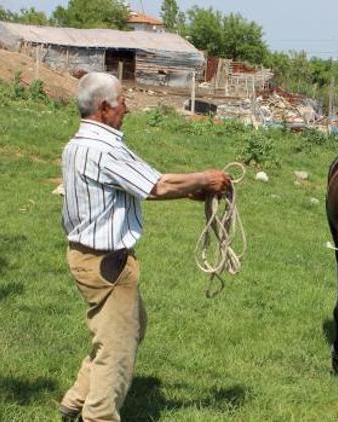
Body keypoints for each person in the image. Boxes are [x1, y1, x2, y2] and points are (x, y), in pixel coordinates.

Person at [58, 72, 230, 421]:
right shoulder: (103, 149)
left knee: (128, 330)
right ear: (104, 108)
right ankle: (98, 415)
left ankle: (75, 400)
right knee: (117, 351)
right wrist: (206, 179)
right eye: (123, 101)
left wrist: (190, 192)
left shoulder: (79, 144)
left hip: (88, 258)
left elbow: (136, 185)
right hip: (107, 265)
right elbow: (157, 186)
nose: (128, 108)